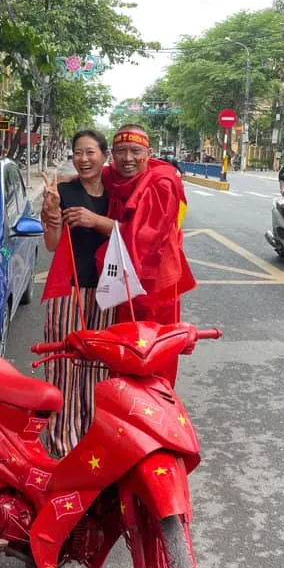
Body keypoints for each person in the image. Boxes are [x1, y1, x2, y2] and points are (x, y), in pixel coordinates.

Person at [96, 124, 196, 386]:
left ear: (148, 153)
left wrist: (96, 222)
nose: (127, 158)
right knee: (123, 350)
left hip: (155, 283)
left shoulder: (162, 182)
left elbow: (145, 237)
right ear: (112, 155)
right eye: (120, 151)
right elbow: (92, 175)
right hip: (124, 281)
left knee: (154, 354)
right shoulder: (116, 178)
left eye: (135, 151)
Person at [40, 129, 115, 457]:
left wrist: (94, 219)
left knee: (101, 368)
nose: (83, 159)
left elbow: (133, 232)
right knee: (66, 366)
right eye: (78, 153)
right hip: (68, 293)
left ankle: (94, 442)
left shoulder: (118, 192)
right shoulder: (64, 190)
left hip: (108, 292)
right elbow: (53, 244)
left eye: (90, 153)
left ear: (104, 155)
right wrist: (53, 213)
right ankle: (62, 443)